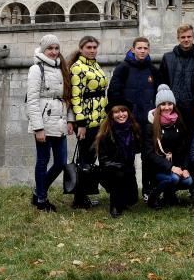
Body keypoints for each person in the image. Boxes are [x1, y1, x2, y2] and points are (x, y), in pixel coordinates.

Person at [26, 34, 70, 212]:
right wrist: (38, 128)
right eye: (50, 48)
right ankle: (42, 200)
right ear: (43, 49)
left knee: (60, 162)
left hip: (60, 121)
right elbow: (32, 100)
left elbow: (67, 97)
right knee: (43, 161)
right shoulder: (36, 69)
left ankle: (38, 191)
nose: (53, 52)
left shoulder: (62, 68)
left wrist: (70, 121)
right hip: (44, 122)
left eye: (56, 48)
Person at [67, 35, 108, 209]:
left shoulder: (95, 64)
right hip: (87, 121)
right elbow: (76, 96)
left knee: (91, 159)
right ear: (81, 48)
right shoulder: (78, 68)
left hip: (100, 119)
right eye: (88, 47)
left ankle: (84, 195)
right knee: (84, 159)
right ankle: (79, 198)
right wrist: (80, 123)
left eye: (94, 47)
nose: (92, 50)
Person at [143, 84, 193, 209]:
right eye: (163, 104)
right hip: (158, 168)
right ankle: (153, 196)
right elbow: (149, 154)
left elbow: (185, 148)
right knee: (174, 178)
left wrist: (185, 167)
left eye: (169, 104)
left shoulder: (178, 122)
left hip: (176, 166)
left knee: (188, 181)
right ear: (158, 106)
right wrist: (171, 167)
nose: (167, 107)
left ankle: (169, 196)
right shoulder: (150, 126)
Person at [94, 99, 142, 218]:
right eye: (116, 112)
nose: (121, 115)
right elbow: (104, 160)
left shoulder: (133, 129)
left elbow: (138, 148)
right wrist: (118, 166)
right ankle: (114, 205)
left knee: (132, 200)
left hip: (128, 169)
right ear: (111, 115)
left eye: (123, 111)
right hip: (112, 169)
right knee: (118, 177)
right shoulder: (106, 133)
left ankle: (124, 198)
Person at [159, 24, 194, 130]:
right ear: (178, 38)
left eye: (189, 37)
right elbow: (162, 82)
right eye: (183, 37)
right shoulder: (167, 58)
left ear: (193, 37)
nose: (186, 40)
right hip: (172, 107)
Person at [108, 37, 158, 135]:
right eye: (139, 48)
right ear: (133, 50)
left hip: (148, 121)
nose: (142, 51)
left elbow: (157, 93)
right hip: (128, 120)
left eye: (145, 48)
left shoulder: (153, 70)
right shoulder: (123, 68)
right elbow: (114, 93)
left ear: (149, 50)